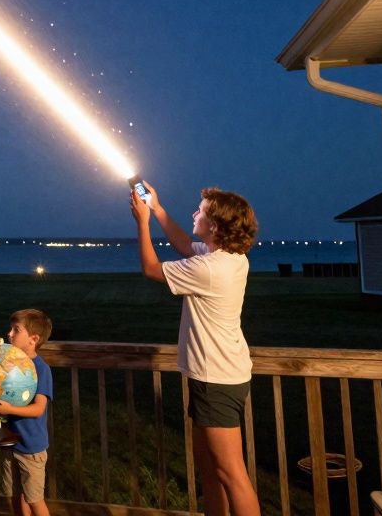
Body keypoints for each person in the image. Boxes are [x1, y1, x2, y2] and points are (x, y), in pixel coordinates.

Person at [130, 181, 260, 516]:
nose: (193, 213)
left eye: (200, 212)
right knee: (211, 470)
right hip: (214, 376)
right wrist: (157, 209)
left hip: (217, 380)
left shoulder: (211, 269)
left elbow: (150, 268)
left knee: (232, 474)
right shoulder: (229, 258)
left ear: (214, 225)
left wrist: (142, 222)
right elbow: (184, 243)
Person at [0, 309, 55, 516]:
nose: (9, 334)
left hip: (31, 447)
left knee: (34, 500)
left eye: (16, 330)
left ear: (33, 339)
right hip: (9, 442)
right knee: (14, 497)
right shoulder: (10, 364)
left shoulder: (40, 369)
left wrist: (9, 409)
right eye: (10, 329)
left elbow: (39, 409)